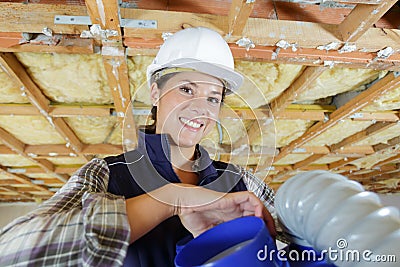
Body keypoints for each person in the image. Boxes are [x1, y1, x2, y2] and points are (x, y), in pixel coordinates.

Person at [0, 27, 276, 267]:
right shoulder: (105, 174)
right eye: (187, 90)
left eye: (213, 98)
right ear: (155, 92)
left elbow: (306, 225)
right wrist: (171, 198)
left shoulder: (241, 182)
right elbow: (13, 252)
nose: (200, 108)